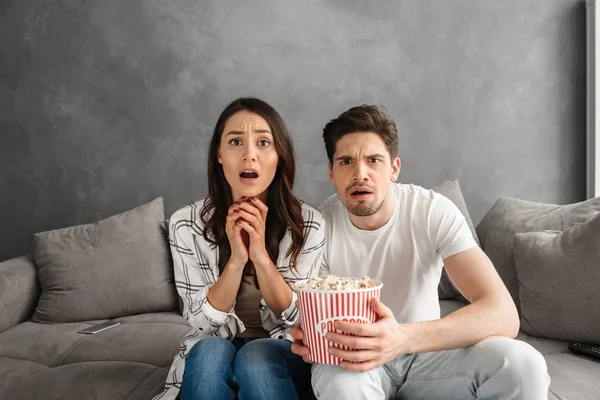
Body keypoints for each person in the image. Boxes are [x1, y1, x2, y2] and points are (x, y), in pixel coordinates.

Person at [291, 105, 550, 399]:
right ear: (331, 172)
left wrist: (402, 338)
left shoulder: (431, 211)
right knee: (341, 384)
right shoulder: (317, 226)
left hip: (427, 354)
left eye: (373, 160)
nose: (359, 173)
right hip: (355, 359)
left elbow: (502, 314)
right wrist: (311, 337)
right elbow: (304, 314)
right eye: (346, 161)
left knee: (522, 364)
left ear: (394, 169)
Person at [154, 97, 325, 400]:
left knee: (256, 358)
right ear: (219, 154)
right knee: (209, 352)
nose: (249, 155)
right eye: (235, 141)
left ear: (279, 156)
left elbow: (300, 317)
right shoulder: (185, 224)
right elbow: (200, 321)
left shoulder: (308, 223)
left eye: (263, 143)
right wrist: (236, 260)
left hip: (283, 351)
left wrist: (259, 254)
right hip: (213, 344)